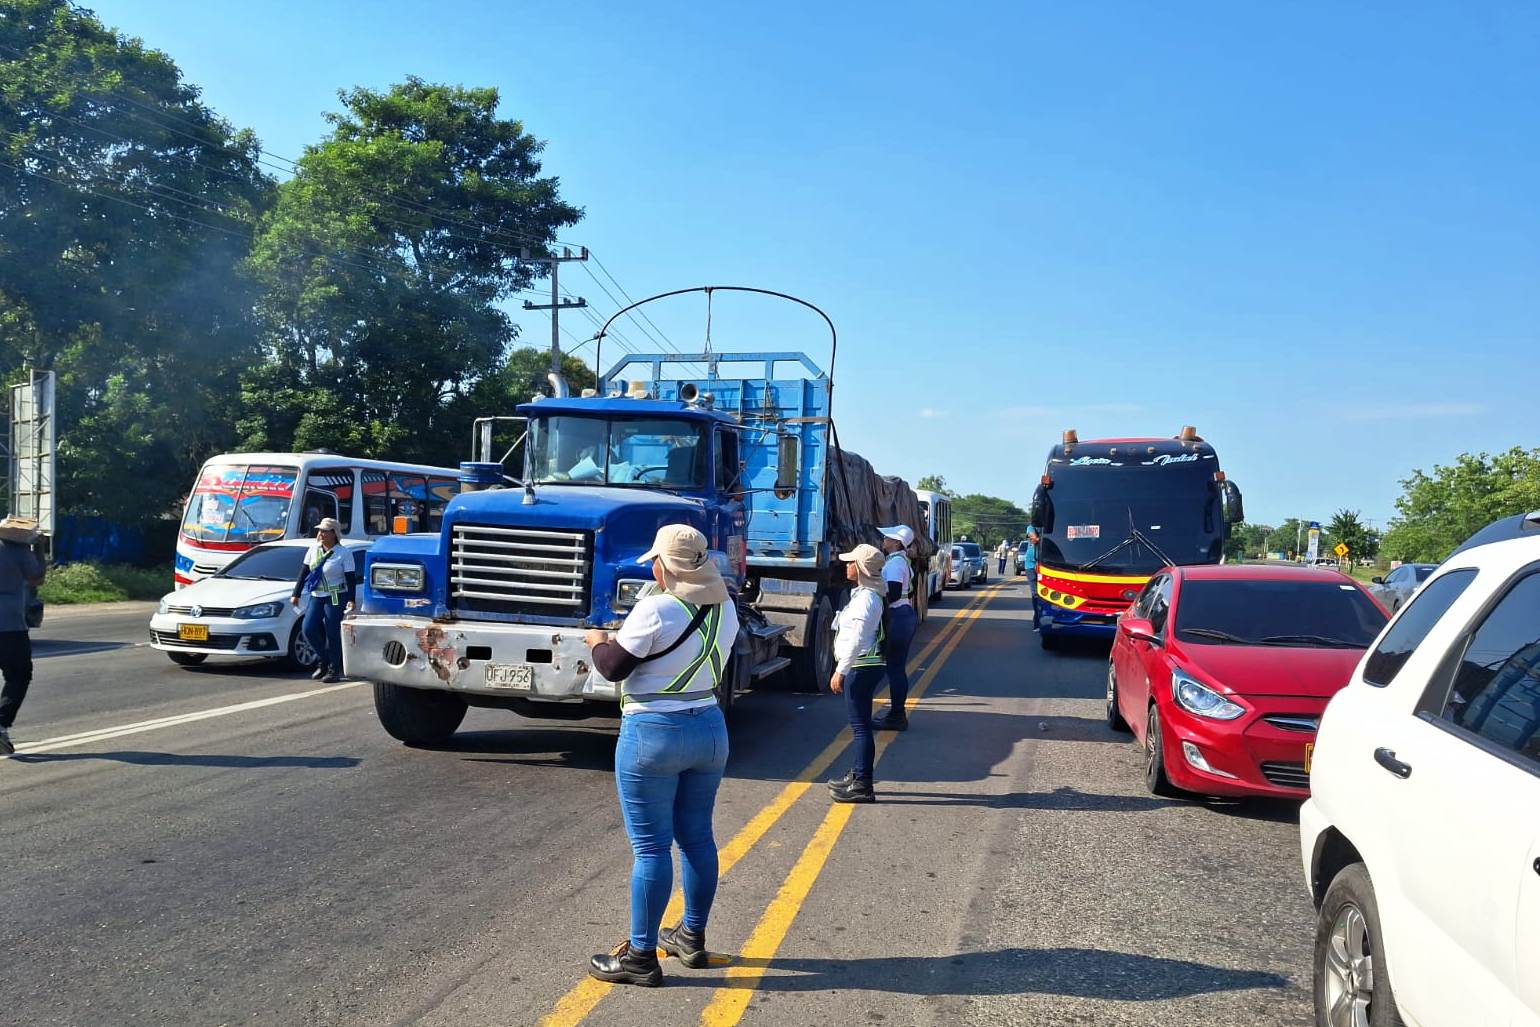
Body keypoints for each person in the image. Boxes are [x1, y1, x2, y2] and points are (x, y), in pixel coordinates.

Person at [582, 523, 738, 987]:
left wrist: (596, 641)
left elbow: (613, 668)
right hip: (709, 726)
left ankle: (641, 955)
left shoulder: (655, 608)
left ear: (662, 568)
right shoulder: (726, 608)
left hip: (654, 731)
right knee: (697, 838)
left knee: (651, 849)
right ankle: (690, 936)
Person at [828, 543, 887, 804]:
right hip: (862, 664)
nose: (847, 565)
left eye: (851, 562)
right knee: (860, 726)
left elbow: (856, 639)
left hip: (861, 666)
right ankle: (857, 776)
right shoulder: (864, 594)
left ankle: (862, 784)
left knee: (860, 727)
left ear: (861, 568)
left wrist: (841, 671)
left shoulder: (866, 599)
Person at [289, 518, 356, 683]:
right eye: (320, 530)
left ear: (334, 533)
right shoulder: (313, 550)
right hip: (317, 595)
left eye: (325, 531)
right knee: (308, 628)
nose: (320, 534)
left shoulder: (343, 553)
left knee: (332, 631)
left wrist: (351, 599)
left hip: (334, 594)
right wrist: (296, 593)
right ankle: (323, 659)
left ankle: (334, 669)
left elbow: (350, 578)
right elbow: (304, 572)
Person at [0, 518, 45, 755]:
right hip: (9, 626)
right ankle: (1, 723)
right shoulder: (19, 551)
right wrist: (39, 550)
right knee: (19, 675)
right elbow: (37, 578)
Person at [874, 525, 917, 732]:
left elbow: (892, 594)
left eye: (888, 537)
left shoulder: (895, 564)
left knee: (895, 670)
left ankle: (897, 716)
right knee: (896, 669)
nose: (884, 539)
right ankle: (896, 714)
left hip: (898, 617)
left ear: (897, 543)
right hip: (904, 615)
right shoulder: (901, 561)